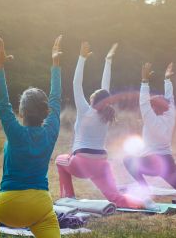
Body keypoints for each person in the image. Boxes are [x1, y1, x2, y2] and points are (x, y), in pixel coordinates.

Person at [0, 36, 102, 238]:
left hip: (9, 209)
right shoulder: (51, 130)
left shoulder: (15, 131)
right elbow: (56, 100)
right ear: (46, 111)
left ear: (21, 111)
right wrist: (56, 66)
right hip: (40, 206)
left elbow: (2, 102)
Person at [55, 42, 143, 208]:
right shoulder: (106, 114)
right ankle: (144, 203)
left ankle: (69, 197)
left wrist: (81, 58)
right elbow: (105, 88)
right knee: (116, 198)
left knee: (60, 161)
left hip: (81, 163)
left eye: (93, 95)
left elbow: (76, 83)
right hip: (101, 164)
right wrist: (108, 61)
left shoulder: (85, 111)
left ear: (93, 99)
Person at [123, 62, 176, 197]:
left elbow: (143, 103)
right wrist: (167, 80)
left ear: (154, 108)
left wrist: (145, 81)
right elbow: (170, 98)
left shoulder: (150, 120)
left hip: (151, 163)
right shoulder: (170, 116)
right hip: (168, 163)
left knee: (128, 160)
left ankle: (144, 189)